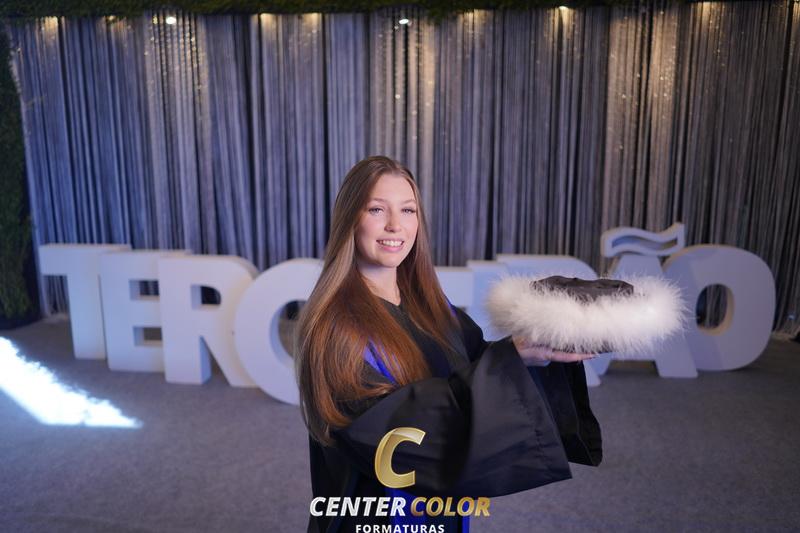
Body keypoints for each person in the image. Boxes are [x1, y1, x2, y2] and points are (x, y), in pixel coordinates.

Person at [295, 156, 602, 533]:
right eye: (376, 209)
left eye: (408, 210)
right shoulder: (336, 326)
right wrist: (507, 360)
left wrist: (535, 344)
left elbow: (476, 364)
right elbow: (389, 433)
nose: (395, 225)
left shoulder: (430, 307)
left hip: (437, 507)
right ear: (350, 219)